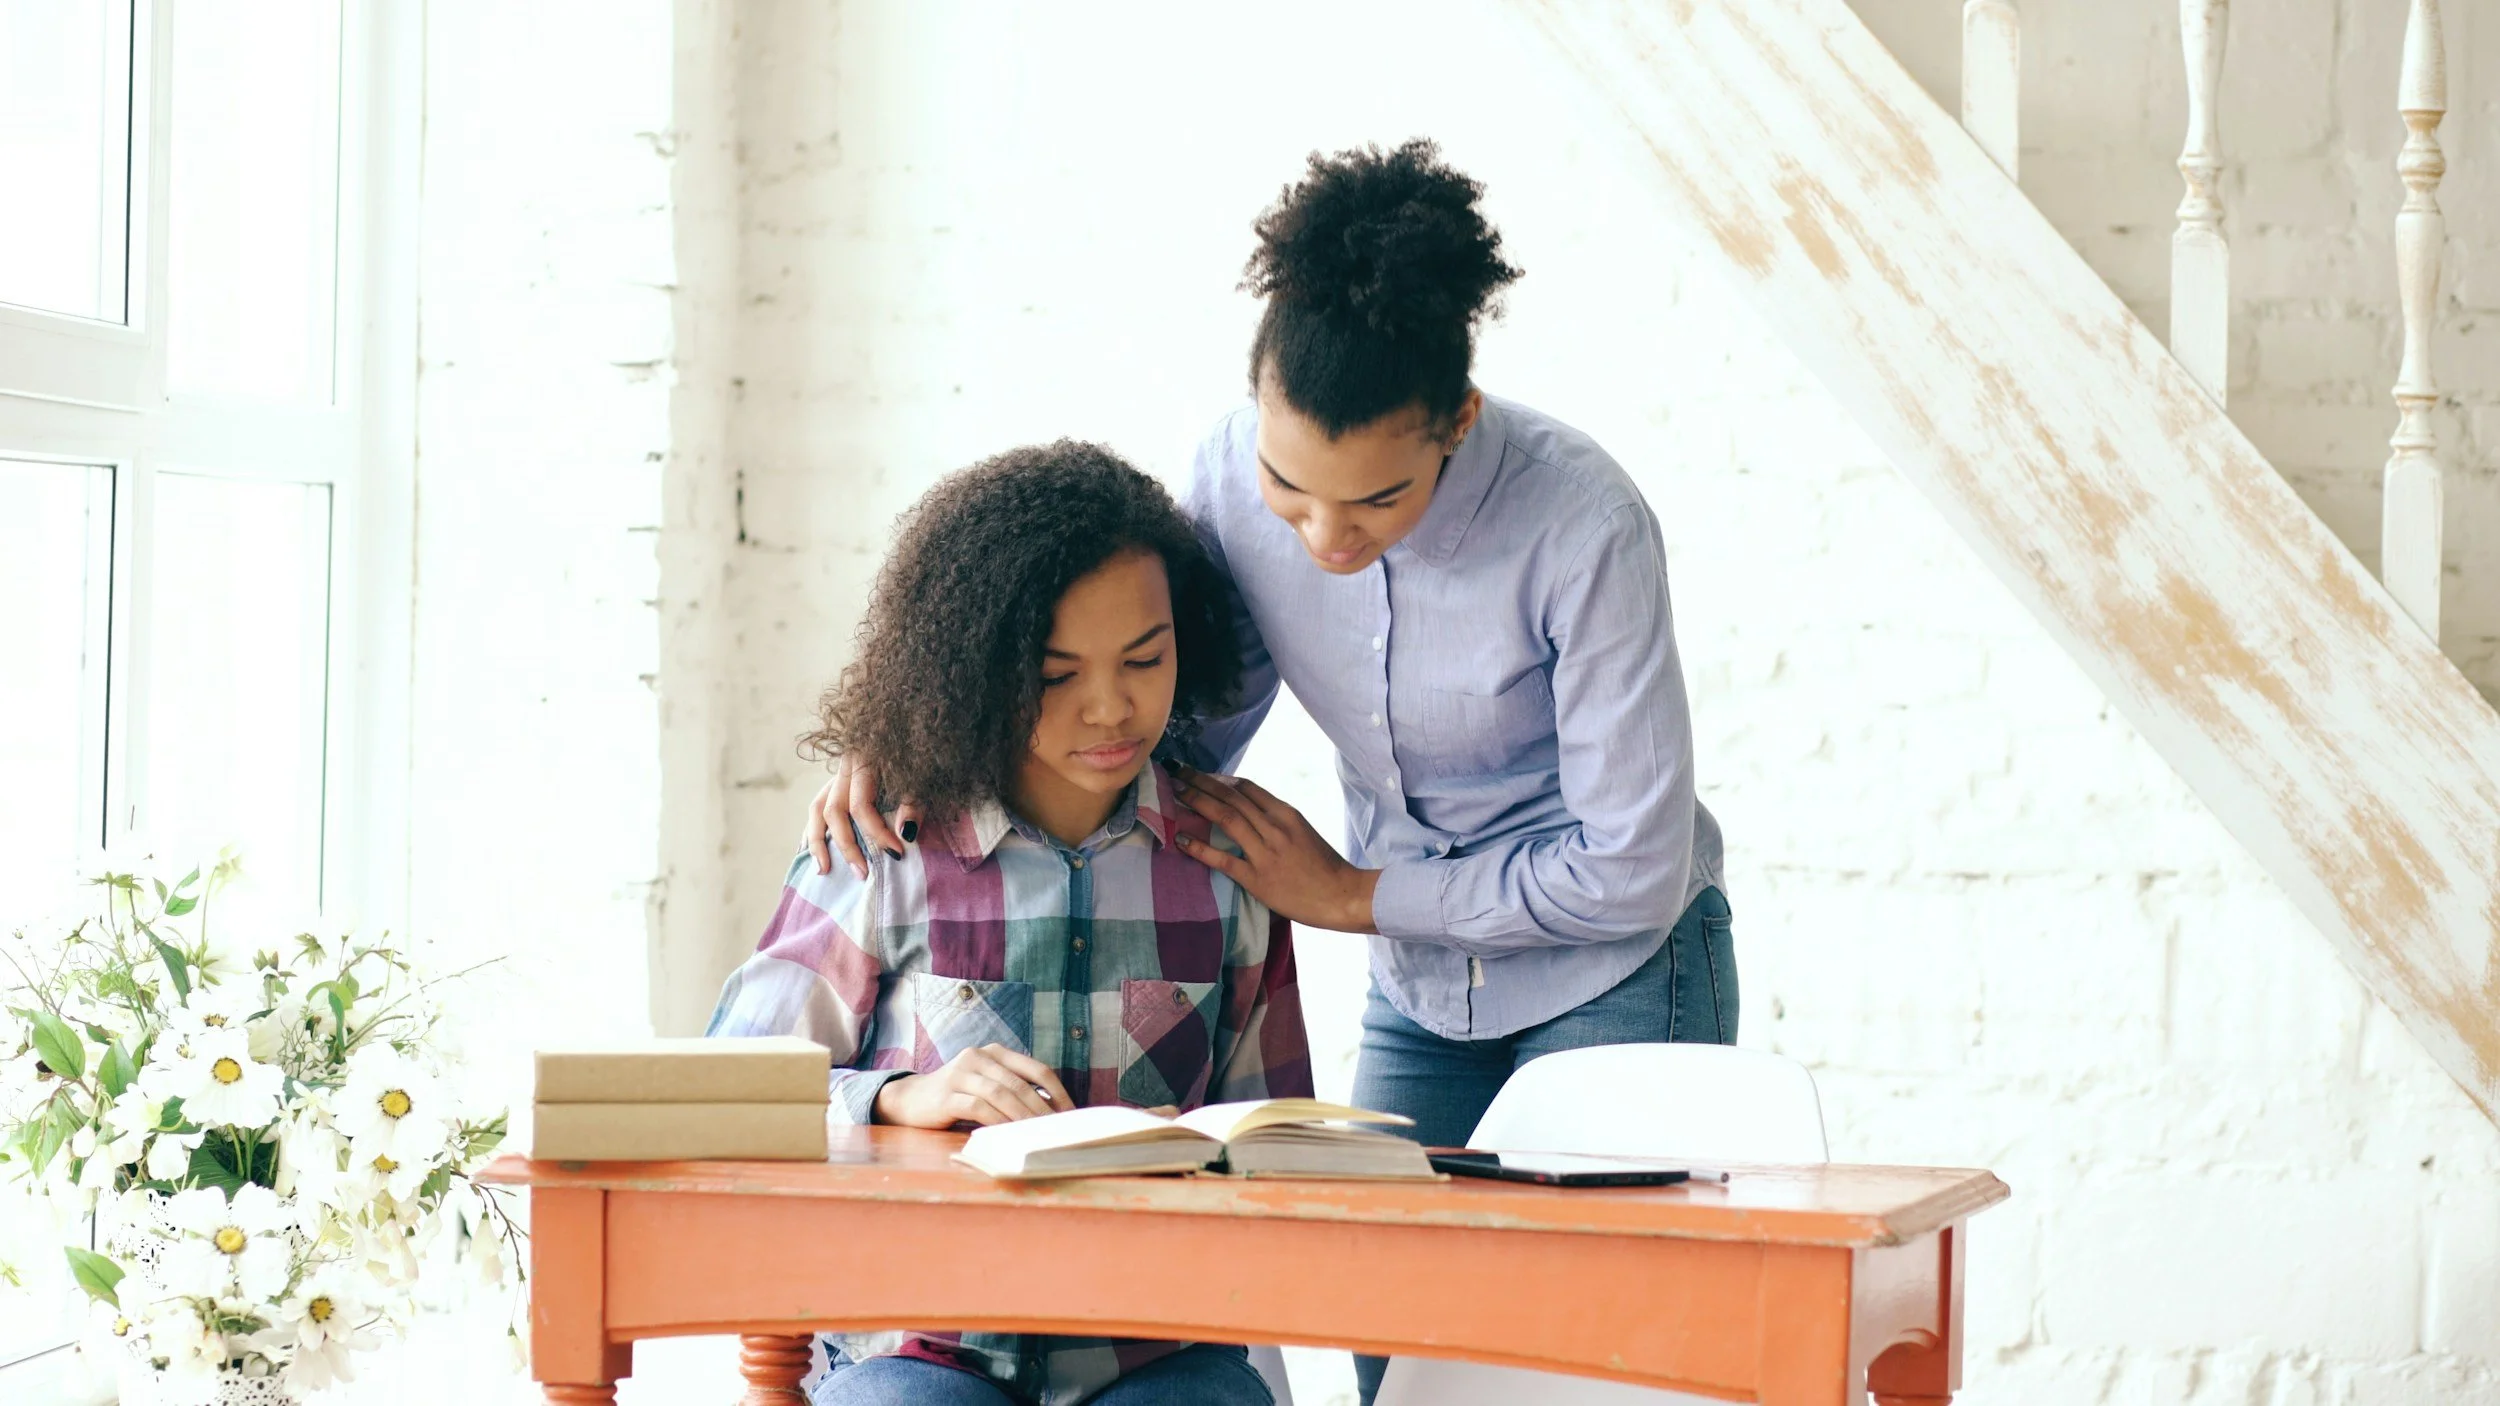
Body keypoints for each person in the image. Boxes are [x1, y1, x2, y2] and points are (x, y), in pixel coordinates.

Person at [808, 143, 1733, 1400]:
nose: (1323, 536)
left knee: (1581, 1358)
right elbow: (1154, 722)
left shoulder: (1584, 525)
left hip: (1615, 958)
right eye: (1288, 487)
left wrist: (1353, 898)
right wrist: (925, 740)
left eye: (1377, 501)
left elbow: (1633, 866)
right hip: (1425, 975)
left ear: (1456, 423)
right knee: (1385, 1340)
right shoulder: (1224, 480)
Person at [716, 441, 1304, 1406]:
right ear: (976, 668)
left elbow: (1281, 1144)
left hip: (1153, 1353)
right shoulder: (884, 851)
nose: (1110, 706)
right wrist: (898, 1098)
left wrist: (1210, 1151)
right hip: (917, 1347)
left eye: (1144, 658)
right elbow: (726, 1094)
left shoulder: (1226, 870)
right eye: (1056, 673)